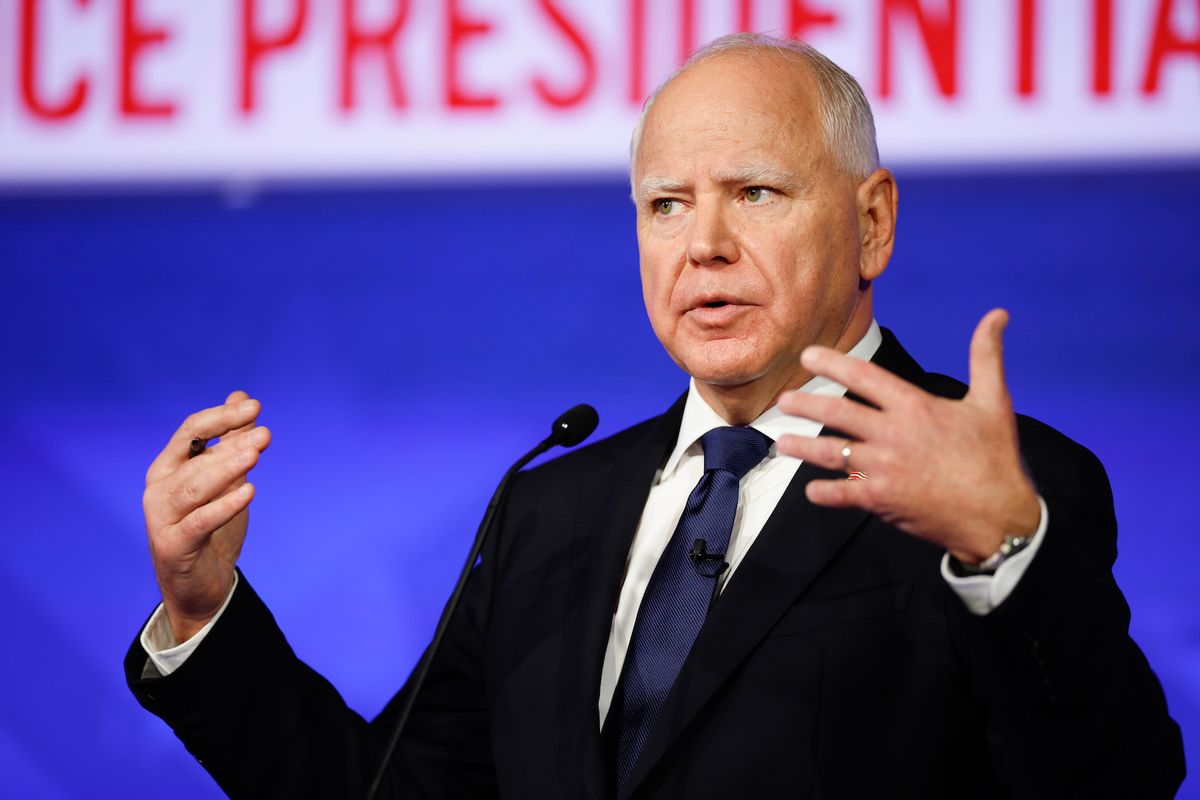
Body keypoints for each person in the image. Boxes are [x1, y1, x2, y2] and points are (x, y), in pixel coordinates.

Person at [126, 34, 1185, 798]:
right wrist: (202, 611)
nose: (703, 244)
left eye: (756, 192)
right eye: (665, 204)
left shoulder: (1002, 480)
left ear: (872, 222)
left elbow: (1116, 779)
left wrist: (1004, 551)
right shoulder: (550, 509)